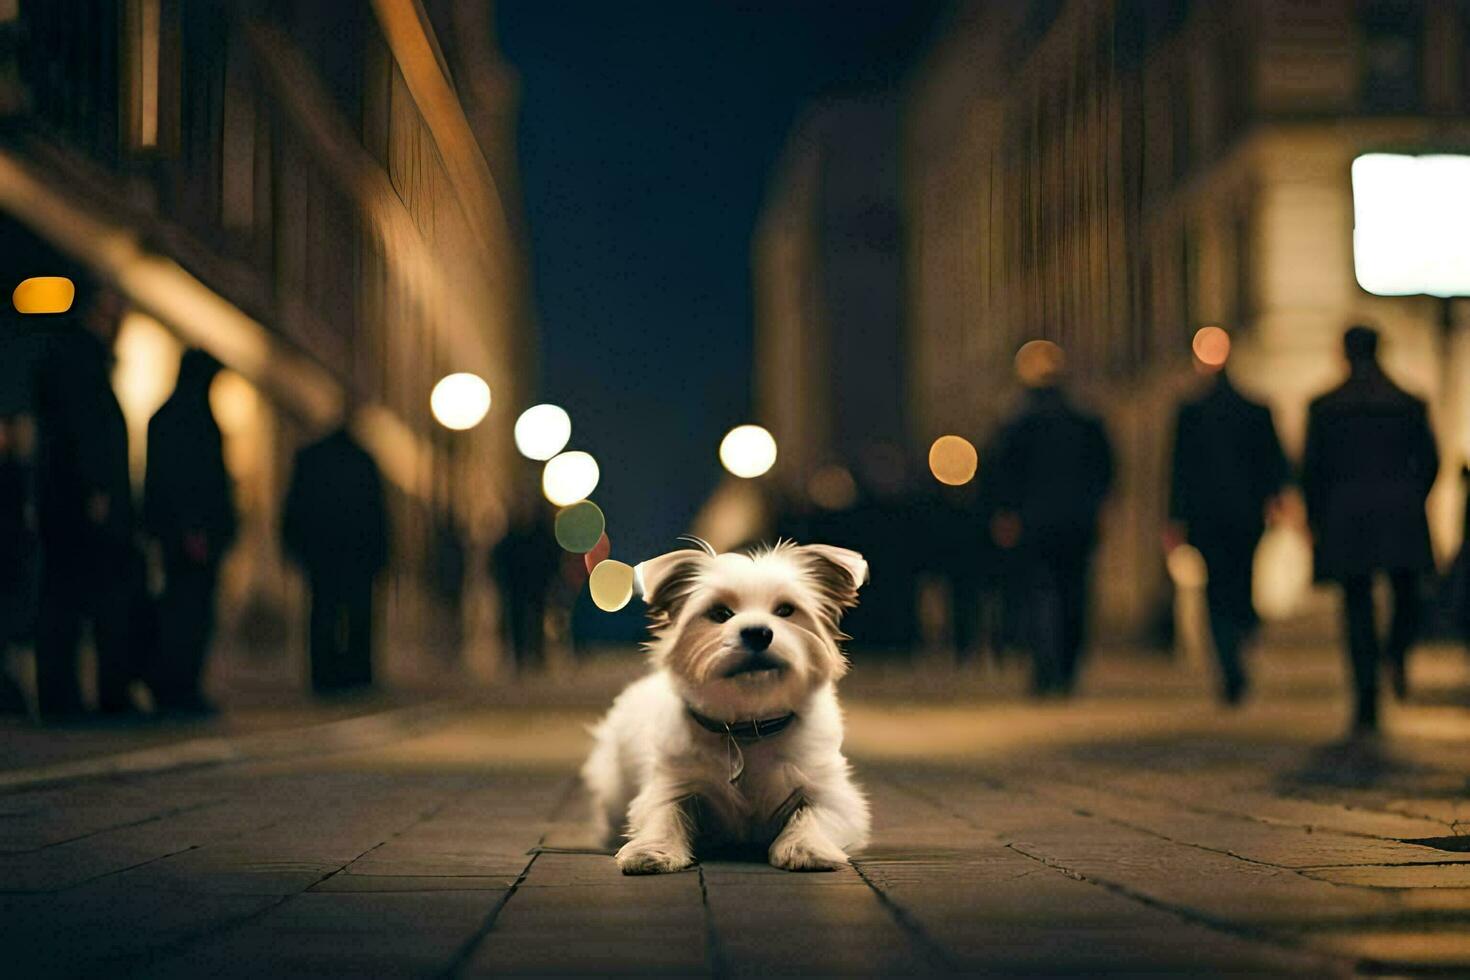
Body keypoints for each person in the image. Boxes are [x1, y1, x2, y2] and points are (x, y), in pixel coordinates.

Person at [1302, 325, 1438, 735]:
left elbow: (1313, 471)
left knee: (1356, 605)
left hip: (1347, 517)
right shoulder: (1407, 403)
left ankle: (1366, 696)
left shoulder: (1326, 407)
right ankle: (1396, 652)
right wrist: (1413, 496)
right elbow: (1430, 462)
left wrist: (1317, 519)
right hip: (1400, 513)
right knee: (1407, 595)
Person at [31, 282, 137, 718]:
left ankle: (64, 695)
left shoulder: (71, 361)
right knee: (78, 602)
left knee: (67, 600)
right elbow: (86, 436)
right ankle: (67, 698)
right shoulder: (83, 366)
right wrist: (97, 492)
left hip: (66, 506)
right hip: (81, 509)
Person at [985, 341, 1113, 696]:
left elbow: (1002, 475)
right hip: (1077, 523)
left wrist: (1007, 515)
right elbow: (1104, 471)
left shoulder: (1017, 422)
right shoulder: (1085, 420)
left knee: (1038, 596)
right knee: (1074, 596)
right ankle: (1066, 667)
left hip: (1034, 524)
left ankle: (1046, 666)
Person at [1167, 347, 1289, 705]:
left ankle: (1228, 656)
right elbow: (1274, 463)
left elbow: (1179, 472)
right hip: (1246, 516)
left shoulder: (1190, 414)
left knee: (1215, 590)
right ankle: (1241, 633)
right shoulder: (1253, 410)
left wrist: (1175, 518)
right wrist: (1275, 502)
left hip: (1206, 518)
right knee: (1241, 580)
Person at [143, 349, 236, 713]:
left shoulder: (168, 417)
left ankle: (178, 685)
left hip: (182, 534)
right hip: (193, 537)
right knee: (188, 613)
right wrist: (195, 529)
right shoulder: (192, 419)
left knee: (183, 610)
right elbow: (191, 482)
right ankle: (179, 686)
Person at [282, 424, 388, 695]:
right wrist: (381, 557)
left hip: (323, 555)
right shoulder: (363, 462)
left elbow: (295, 508)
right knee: (356, 616)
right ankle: (356, 673)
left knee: (323, 614)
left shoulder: (312, 460)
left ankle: (325, 674)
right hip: (354, 556)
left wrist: (294, 548)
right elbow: (378, 516)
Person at [490, 503, 560, 670]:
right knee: (527, 620)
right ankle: (529, 656)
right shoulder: (537, 537)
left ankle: (526, 656)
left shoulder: (518, 538)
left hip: (524, 586)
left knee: (524, 620)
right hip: (527, 585)